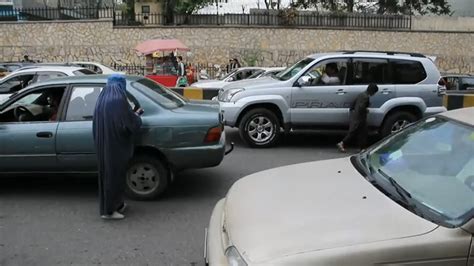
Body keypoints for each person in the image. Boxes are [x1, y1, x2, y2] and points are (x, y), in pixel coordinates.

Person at [93, 74, 143, 220]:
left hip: (104, 144)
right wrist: (137, 115)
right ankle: (108, 211)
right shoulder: (118, 100)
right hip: (115, 146)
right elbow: (128, 123)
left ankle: (117, 204)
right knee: (114, 176)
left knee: (108, 175)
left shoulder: (103, 98)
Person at [337, 83, 379, 152]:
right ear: (372, 91)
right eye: (374, 92)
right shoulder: (366, 97)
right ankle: (343, 143)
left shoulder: (361, 94)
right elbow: (361, 107)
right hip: (360, 117)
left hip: (356, 116)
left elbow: (354, 103)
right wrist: (366, 110)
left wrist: (352, 110)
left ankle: (361, 148)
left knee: (361, 132)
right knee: (356, 132)